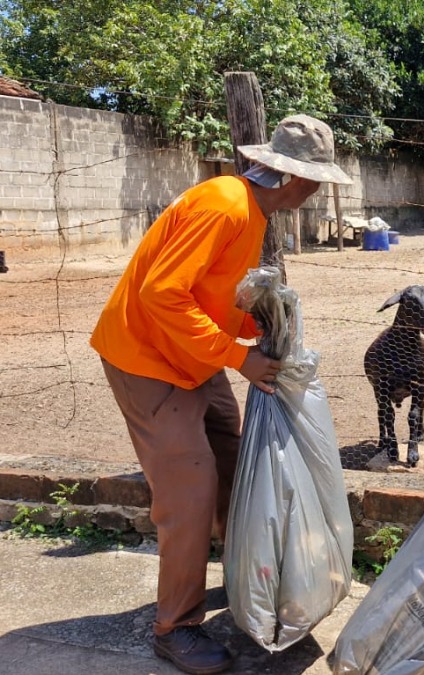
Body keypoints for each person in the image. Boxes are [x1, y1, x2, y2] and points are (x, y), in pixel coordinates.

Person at [91, 115, 352, 675]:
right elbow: (163, 294)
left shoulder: (251, 210)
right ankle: (175, 627)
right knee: (191, 490)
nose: (316, 191)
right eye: (315, 180)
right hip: (148, 360)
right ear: (292, 178)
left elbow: (201, 290)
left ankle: (247, 578)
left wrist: (252, 328)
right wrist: (239, 356)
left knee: (237, 464)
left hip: (192, 356)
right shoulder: (227, 205)